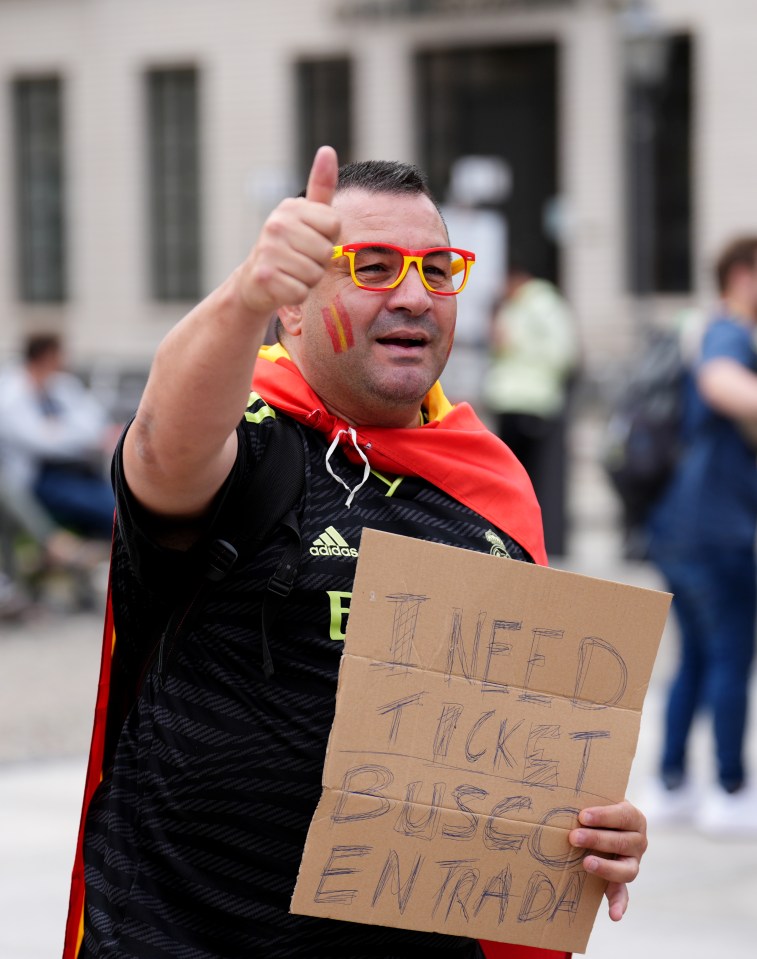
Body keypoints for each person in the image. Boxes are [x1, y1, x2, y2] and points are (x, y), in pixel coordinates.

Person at [65, 147, 648, 959]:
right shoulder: (252, 447)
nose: (413, 295)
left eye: (437, 270)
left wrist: (590, 830)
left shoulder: (490, 487)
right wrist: (243, 294)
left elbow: (518, 773)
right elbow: (165, 441)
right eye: (371, 267)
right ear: (293, 307)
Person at [643, 236, 757, 837]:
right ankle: (731, 787)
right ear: (743, 275)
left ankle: (672, 782)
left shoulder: (705, 326)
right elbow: (720, 382)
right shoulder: (730, 330)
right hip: (720, 529)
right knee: (732, 656)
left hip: (679, 525)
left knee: (696, 656)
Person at [483, 262, 581, 556]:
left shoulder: (542, 303)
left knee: (538, 479)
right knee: (517, 480)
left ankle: (542, 543)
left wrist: (516, 345)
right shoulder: (515, 307)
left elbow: (564, 353)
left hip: (535, 402)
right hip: (510, 401)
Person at [0, 332, 116, 541]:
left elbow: (96, 424)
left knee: (124, 507)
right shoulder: (10, 392)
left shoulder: (62, 385)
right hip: (42, 480)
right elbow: (40, 442)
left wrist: (56, 428)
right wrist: (71, 432)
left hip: (81, 472)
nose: (64, 360)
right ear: (46, 355)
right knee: (114, 514)